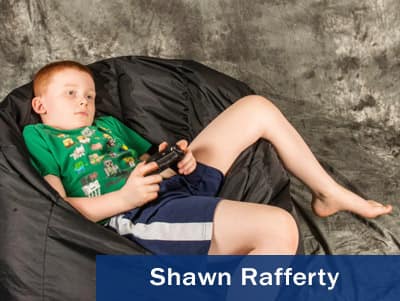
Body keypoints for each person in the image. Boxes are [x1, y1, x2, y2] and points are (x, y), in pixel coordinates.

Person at [22, 61, 392, 255]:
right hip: (136, 215)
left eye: (88, 95)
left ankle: (327, 192)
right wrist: (125, 198)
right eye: (70, 93)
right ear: (40, 105)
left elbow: (150, 156)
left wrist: (176, 158)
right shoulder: (39, 136)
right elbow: (58, 208)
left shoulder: (108, 125)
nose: (83, 101)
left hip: (167, 185)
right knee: (279, 228)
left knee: (256, 108)